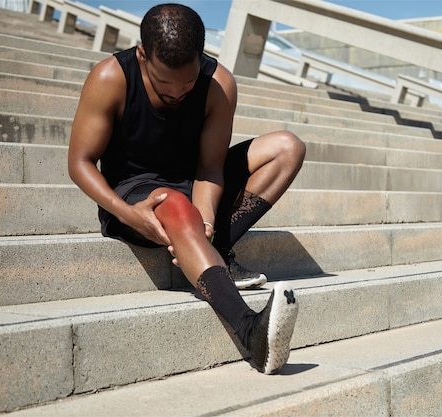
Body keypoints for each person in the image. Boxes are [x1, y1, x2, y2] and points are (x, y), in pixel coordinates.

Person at [67, 3, 305, 374]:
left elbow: (210, 168)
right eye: (164, 84)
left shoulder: (218, 83)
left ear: (202, 57)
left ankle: (209, 249)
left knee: (287, 148)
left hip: (193, 182)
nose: (177, 93)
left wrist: (206, 218)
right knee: (176, 203)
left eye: (188, 84)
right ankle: (249, 331)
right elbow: (80, 162)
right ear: (143, 54)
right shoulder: (110, 78)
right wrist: (126, 212)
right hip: (137, 194)